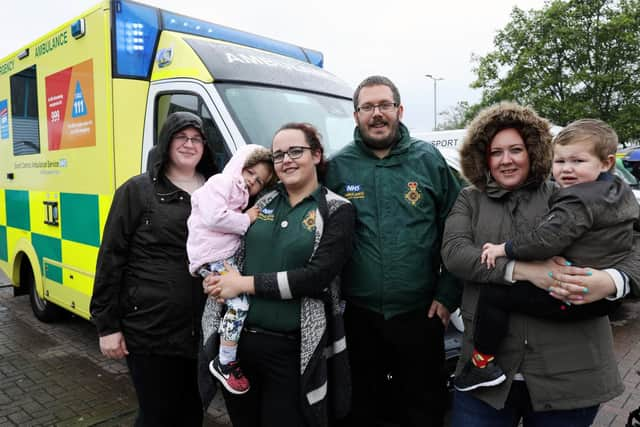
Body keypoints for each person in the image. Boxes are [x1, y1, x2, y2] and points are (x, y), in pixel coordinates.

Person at [441, 102, 640, 426]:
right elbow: (454, 253)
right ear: (482, 157)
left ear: (533, 150)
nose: (506, 160)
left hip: (570, 376)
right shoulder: (469, 199)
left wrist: (613, 281)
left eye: (516, 149)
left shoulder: (573, 192)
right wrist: (523, 270)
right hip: (485, 382)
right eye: (496, 152)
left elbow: (633, 243)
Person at [324, 75, 462, 427]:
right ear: (355, 116)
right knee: (361, 409)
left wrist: (448, 295)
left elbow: (460, 229)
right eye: (367, 107)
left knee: (423, 409)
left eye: (384, 105)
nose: (377, 113)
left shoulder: (428, 160)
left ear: (399, 110)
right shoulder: (338, 168)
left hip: (422, 315)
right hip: (359, 316)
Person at [201, 122, 355, 427]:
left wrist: (241, 284)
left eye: (296, 151)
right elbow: (229, 246)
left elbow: (316, 277)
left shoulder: (337, 210)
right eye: (278, 155)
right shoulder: (262, 201)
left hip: (292, 350)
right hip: (239, 347)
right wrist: (217, 277)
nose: (286, 160)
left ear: (316, 155)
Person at [90, 111, 217, 427]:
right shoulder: (138, 190)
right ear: (166, 142)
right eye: (181, 137)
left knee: (192, 411)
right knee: (157, 414)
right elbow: (111, 258)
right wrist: (107, 326)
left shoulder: (216, 190)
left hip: (201, 328)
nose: (189, 144)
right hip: (150, 328)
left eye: (196, 138)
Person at [187, 144, 275, 395]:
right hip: (213, 257)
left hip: (216, 257)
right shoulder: (221, 183)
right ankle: (225, 360)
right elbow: (215, 218)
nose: (252, 182)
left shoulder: (238, 196)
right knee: (239, 305)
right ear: (242, 166)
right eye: (251, 173)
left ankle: (225, 355)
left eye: (259, 182)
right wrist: (246, 219)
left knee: (236, 303)